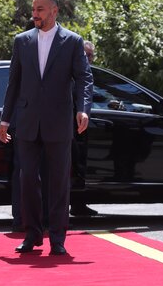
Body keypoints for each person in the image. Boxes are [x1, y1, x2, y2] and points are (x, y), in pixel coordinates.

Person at [0, 0, 93, 256]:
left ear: (54, 11)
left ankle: (58, 238)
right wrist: (5, 118)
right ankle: (32, 234)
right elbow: (13, 82)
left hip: (59, 122)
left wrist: (83, 110)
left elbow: (85, 78)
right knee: (27, 178)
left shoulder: (72, 42)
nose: (35, 14)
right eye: (33, 9)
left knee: (59, 181)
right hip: (27, 122)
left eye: (40, 9)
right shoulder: (22, 41)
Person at [69, 40, 98, 216]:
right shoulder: (72, 75)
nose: (88, 58)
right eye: (85, 55)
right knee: (73, 166)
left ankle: (79, 204)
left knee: (81, 166)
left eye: (90, 55)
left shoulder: (88, 75)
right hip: (70, 126)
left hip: (83, 128)